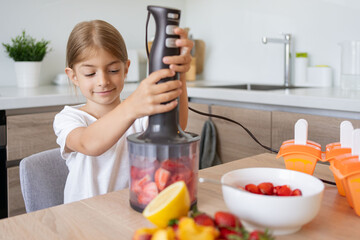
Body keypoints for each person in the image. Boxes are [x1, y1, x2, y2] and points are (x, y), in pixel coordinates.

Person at [53, 19, 193, 203]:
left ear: (126, 69)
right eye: (90, 73)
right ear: (73, 76)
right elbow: (89, 143)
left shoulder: (139, 113)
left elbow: (177, 126)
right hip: (84, 216)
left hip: (128, 211)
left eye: (113, 70)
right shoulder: (68, 118)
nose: (103, 80)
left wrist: (178, 72)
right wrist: (132, 107)